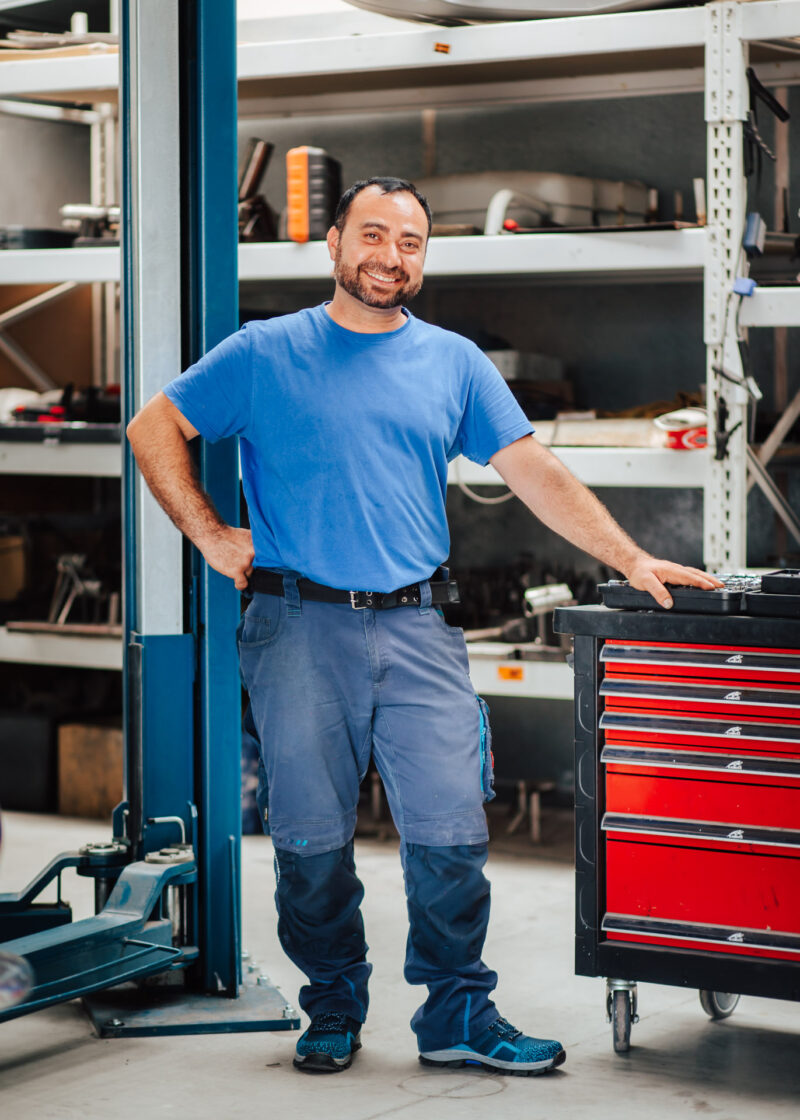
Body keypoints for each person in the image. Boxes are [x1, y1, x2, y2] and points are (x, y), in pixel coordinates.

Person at [127, 176, 721, 1077]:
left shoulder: (454, 362)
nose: (390, 256)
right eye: (373, 235)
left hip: (418, 628)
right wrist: (210, 535)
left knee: (453, 835)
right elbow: (153, 427)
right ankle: (333, 1004)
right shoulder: (263, 352)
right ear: (334, 244)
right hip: (298, 628)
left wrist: (630, 558)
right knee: (310, 840)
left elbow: (534, 471)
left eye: (409, 242)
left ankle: (457, 1014)